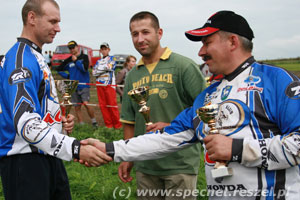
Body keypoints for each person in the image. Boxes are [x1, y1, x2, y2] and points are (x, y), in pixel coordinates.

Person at [82, 10, 300, 199]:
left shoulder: (277, 81)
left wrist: (236, 149)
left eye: (207, 43)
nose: (201, 52)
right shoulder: (207, 96)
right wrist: (109, 149)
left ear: (232, 42)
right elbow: (164, 140)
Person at [0, 1, 111, 199]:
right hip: (25, 161)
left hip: (49, 154)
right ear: (32, 18)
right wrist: (76, 149)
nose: (58, 28)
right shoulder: (20, 58)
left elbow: (38, 110)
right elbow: (26, 123)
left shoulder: (35, 55)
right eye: (53, 21)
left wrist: (58, 122)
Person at [118, 11, 206, 200]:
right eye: (135, 34)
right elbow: (129, 120)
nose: (140, 39)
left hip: (179, 164)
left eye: (145, 32)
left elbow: (206, 112)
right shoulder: (133, 74)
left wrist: (173, 128)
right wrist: (128, 157)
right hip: (146, 164)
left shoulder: (183, 66)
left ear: (159, 33)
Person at [56, 40, 98, 127]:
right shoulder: (68, 60)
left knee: (86, 103)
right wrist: (68, 76)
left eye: (73, 47)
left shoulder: (84, 57)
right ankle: (81, 124)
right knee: (76, 106)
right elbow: (59, 69)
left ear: (77, 47)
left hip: (84, 85)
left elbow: (84, 69)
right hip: (73, 86)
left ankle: (94, 122)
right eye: (70, 48)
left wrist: (76, 61)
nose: (72, 50)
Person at [93, 42, 122, 129]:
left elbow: (110, 67)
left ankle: (117, 126)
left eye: (106, 49)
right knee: (103, 106)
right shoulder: (98, 61)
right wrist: (104, 68)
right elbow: (94, 72)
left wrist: (100, 69)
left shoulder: (112, 58)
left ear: (108, 50)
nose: (104, 50)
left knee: (112, 105)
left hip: (109, 84)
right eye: (102, 49)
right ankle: (108, 125)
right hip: (99, 84)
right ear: (100, 51)